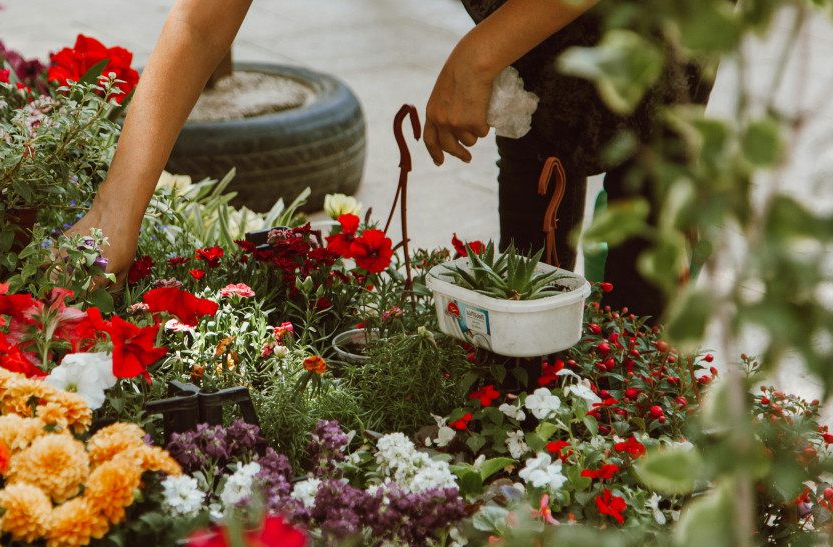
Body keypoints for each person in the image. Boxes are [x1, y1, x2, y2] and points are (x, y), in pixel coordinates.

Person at [67, 0, 703, 318]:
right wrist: (112, 215)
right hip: (535, 38)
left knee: (650, 224)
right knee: (531, 257)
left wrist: (479, 54)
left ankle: (647, 475)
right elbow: (202, 23)